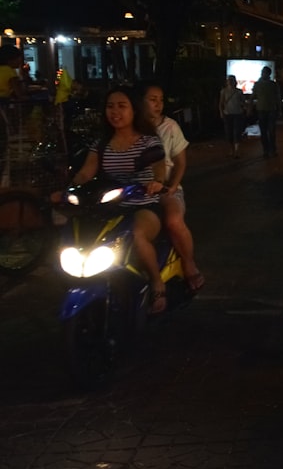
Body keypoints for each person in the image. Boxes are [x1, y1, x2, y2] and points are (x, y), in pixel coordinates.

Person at [68, 87, 169, 314]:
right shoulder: (101, 143)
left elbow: (159, 166)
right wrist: (69, 189)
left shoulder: (148, 141)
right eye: (110, 106)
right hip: (109, 206)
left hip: (143, 203)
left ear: (134, 110)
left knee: (137, 234)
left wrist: (157, 181)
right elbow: (86, 173)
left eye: (121, 106)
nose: (115, 112)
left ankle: (156, 282)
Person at [144, 85, 204, 293]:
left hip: (166, 188)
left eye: (160, 99)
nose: (158, 104)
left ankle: (188, 263)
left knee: (173, 220)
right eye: (153, 99)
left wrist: (171, 186)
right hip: (137, 190)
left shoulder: (170, 127)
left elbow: (180, 163)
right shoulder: (134, 129)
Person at [252, 66, 280, 157]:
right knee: (266, 131)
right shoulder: (271, 84)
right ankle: (269, 150)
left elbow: (277, 98)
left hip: (267, 109)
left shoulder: (267, 84)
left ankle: (269, 150)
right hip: (265, 110)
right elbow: (278, 98)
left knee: (268, 131)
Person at [219, 75, 245, 159]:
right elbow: (221, 103)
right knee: (229, 132)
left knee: (237, 132)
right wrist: (221, 112)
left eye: (232, 80)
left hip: (238, 113)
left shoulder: (239, 91)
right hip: (228, 114)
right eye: (229, 80)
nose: (230, 82)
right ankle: (232, 149)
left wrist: (245, 108)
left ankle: (236, 151)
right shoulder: (224, 91)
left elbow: (242, 102)